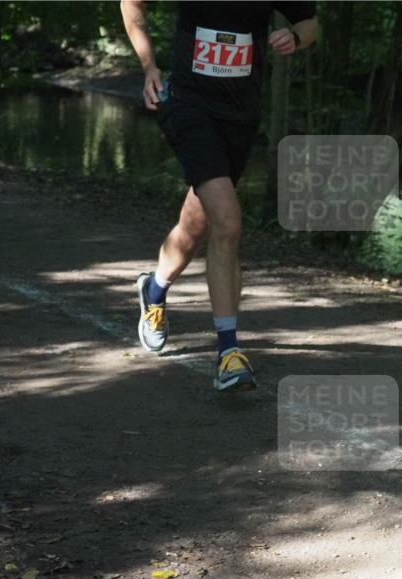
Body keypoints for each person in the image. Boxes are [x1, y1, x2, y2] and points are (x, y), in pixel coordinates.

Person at [121, 1, 318, 391]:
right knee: (227, 220)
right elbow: (132, 4)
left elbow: (311, 22)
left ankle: (154, 289)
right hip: (188, 104)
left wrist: (295, 37)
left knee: (196, 224)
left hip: (240, 114)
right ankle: (229, 353)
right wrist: (149, 67)